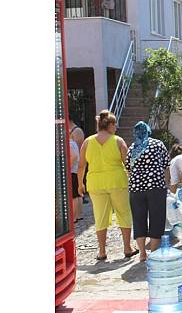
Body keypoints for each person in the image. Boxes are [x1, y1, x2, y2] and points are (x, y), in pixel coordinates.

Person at [78, 110, 138, 261]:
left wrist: (80, 183)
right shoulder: (118, 141)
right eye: (115, 124)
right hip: (117, 181)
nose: (116, 127)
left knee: (100, 216)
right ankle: (127, 248)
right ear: (109, 124)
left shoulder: (87, 142)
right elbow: (128, 164)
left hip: (95, 183)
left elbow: (81, 166)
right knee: (123, 213)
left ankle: (102, 251)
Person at [126, 121, 169, 262]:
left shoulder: (132, 148)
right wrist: (166, 183)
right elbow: (166, 165)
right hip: (156, 187)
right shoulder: (158, 144)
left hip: (136, 189)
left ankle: (142, 253)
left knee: (139, 219)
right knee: (157, 218)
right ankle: (155, 252)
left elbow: (128, 169)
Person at [69, 116, 87, 204]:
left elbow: (79, 150)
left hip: (76, 165)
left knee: (75, 194)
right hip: (76, 164)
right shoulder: (74, 131)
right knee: (76, 193)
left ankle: (77, 216)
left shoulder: (76, 131)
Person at [69, 138, 82, 223]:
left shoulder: (69, 143)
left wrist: (67, 167)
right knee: (78, 195)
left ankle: (74, 217)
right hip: (76, 171)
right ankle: (79, 215)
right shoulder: (73, 143)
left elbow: (74, 156)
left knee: (74, 196)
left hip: (72, 171)